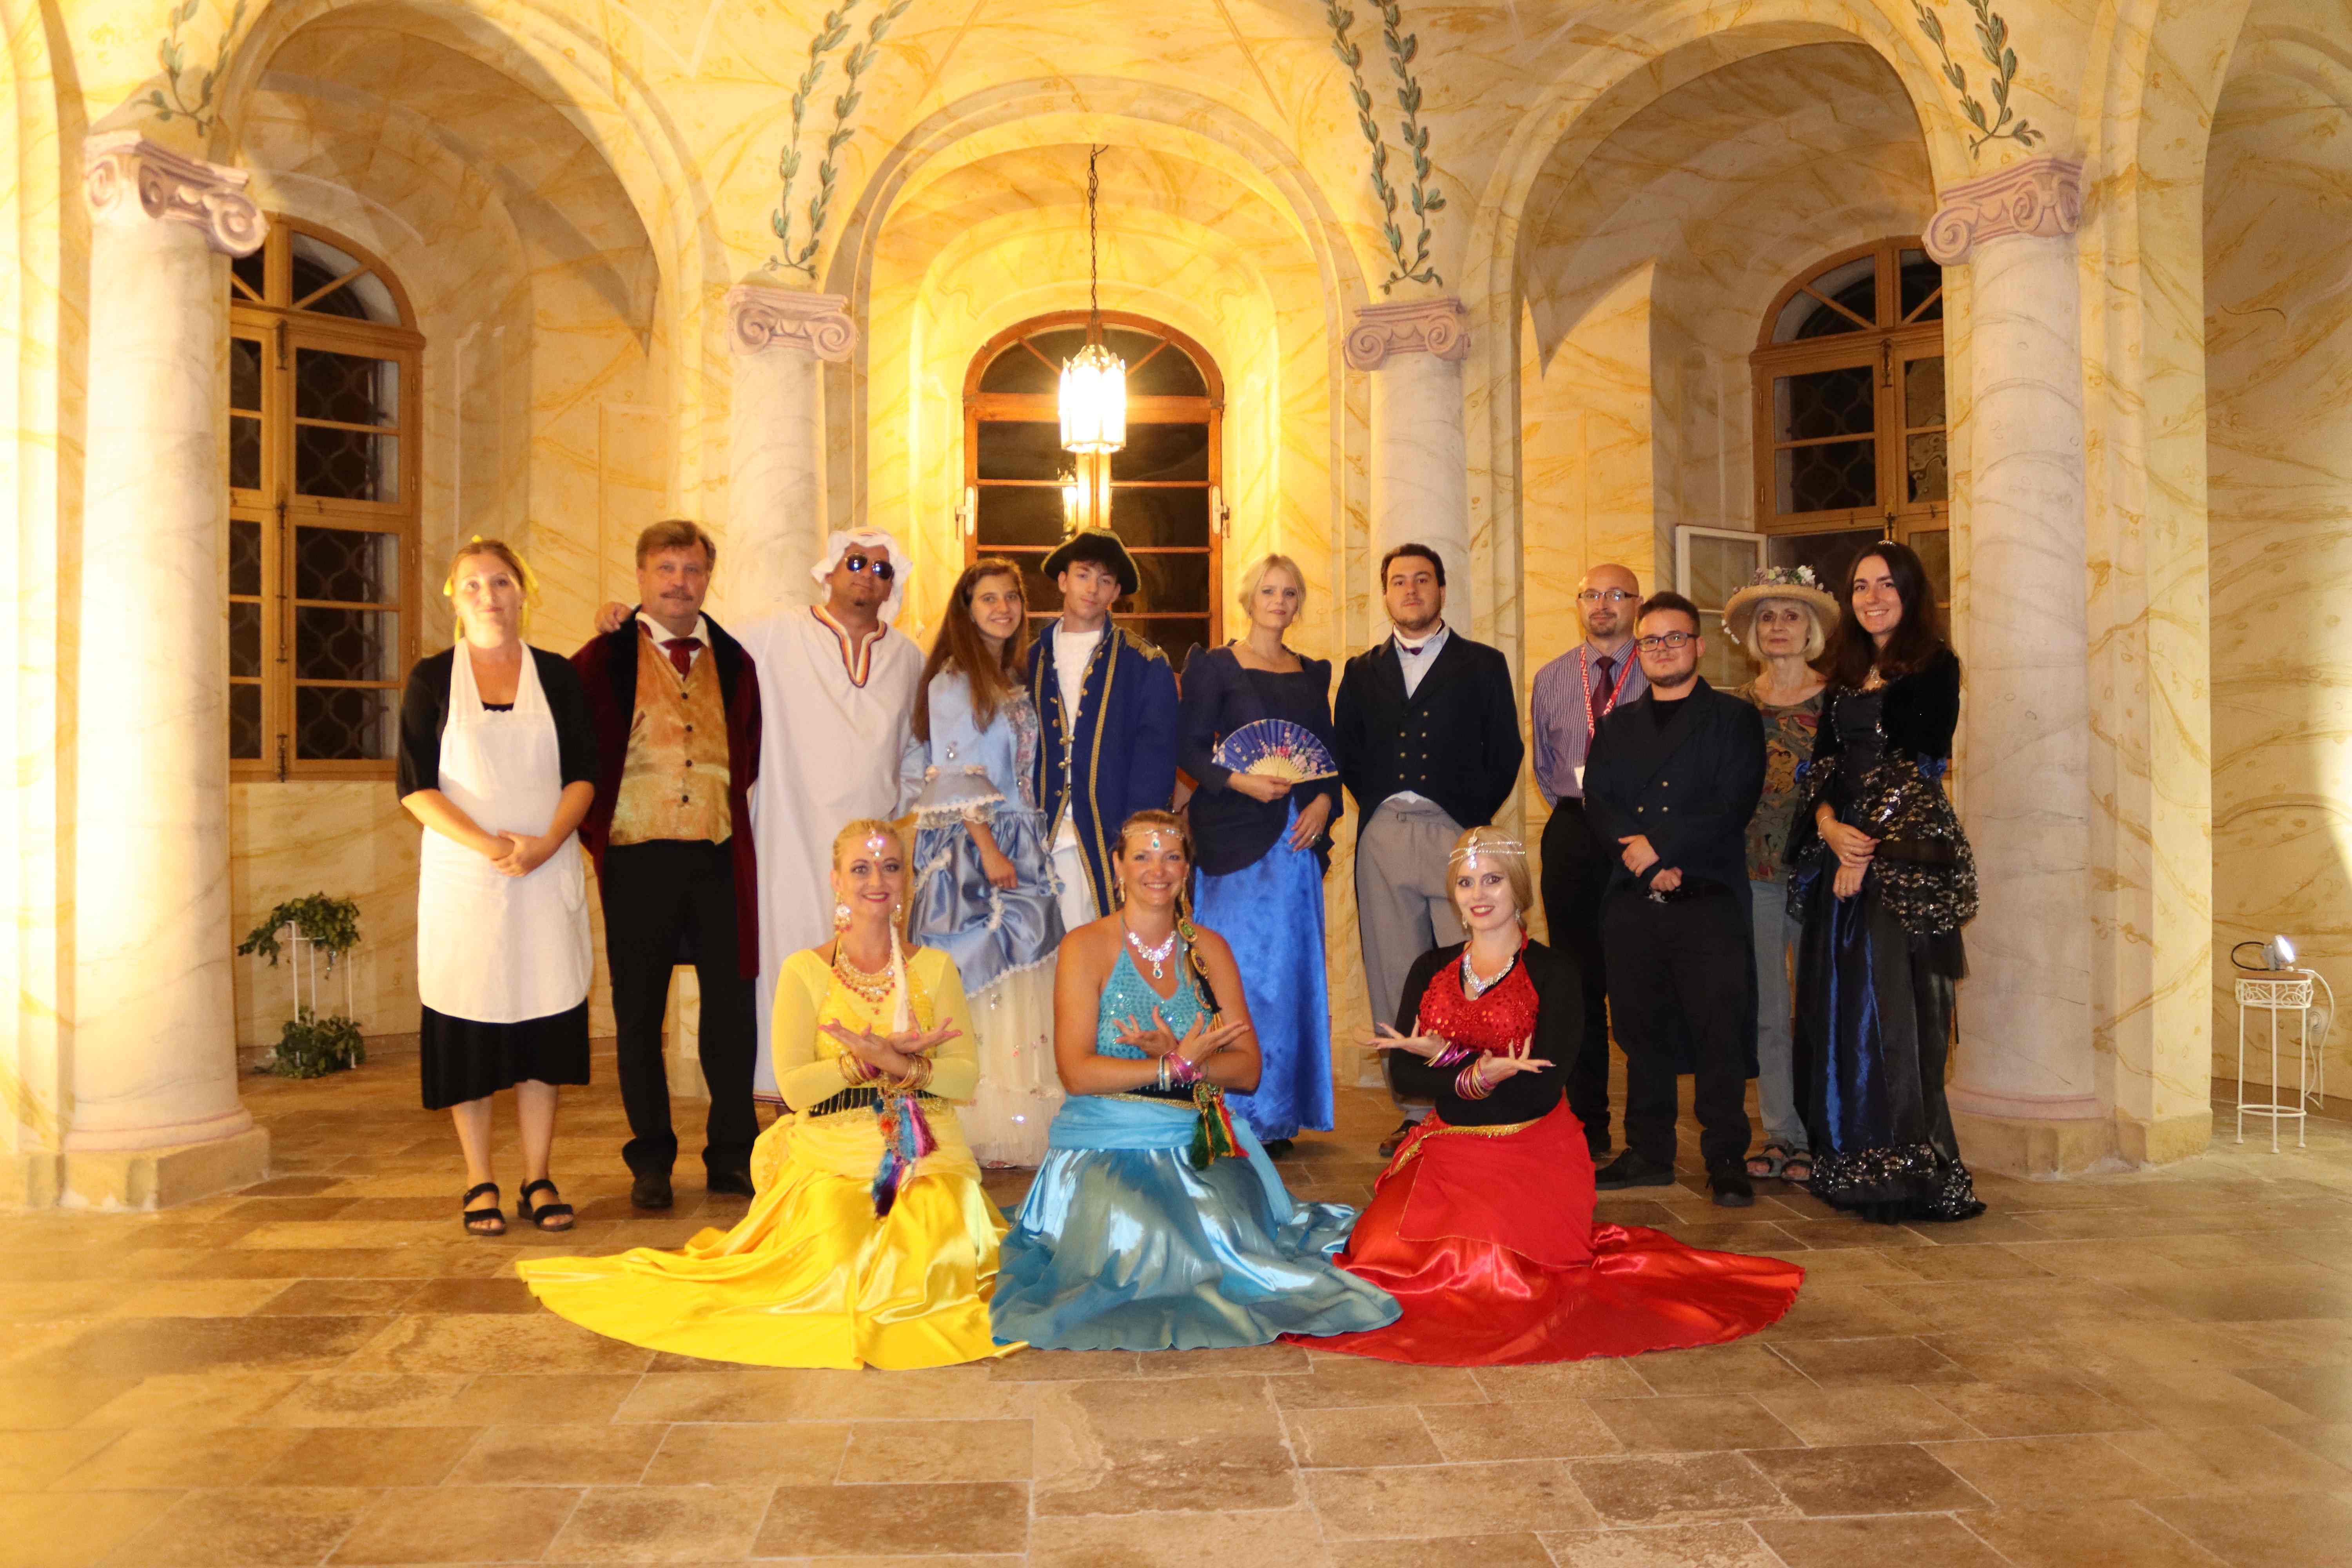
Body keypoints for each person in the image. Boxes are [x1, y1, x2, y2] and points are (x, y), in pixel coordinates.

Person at [518, 819, 1015, 1369]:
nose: (877, 880)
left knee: (937, 1233)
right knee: (840, 1251)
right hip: (832, 1152)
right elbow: (796, 1088)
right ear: (836, 881)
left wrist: (898, 1063)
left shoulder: (935, 968)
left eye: (891, 867)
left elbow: (962, 1077)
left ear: (907, 880)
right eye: (861, 868)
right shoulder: (806, 970)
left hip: (925, 1149)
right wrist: (862, 1062)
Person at [1307, 828, 1803, 1365]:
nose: (1479, 894)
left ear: (1518, 888)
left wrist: (1449, 1061)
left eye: (1493, 880)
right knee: (1381, 1253)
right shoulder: (1431, 968)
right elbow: (1405, 1075)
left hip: (1530, 1149)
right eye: (1466, 883)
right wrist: (1475, 1073)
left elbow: (1537, 1092)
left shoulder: (1555, 973)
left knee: (1484, 1269)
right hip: (1447, 1147)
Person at [989, 811, 1401, 1351]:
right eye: (1142, 856)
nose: (1157, 870)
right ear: (1118, 866)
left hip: (1197, 1140)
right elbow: (1078, 1072)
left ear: (1187, 869)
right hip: (1108, 1143)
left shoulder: (1209, 949)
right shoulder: (1085, 946)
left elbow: (1248, 1070)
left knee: (1223, 1230)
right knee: (1145, 1233)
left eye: (1172, 857)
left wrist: (1188, 1063)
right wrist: (1171, 1068)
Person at [594, 527, 921, 1107]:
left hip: (869, 854)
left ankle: (864, 1093)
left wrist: (896, 814)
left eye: (881, 569)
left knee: (866, 965)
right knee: (785, 962)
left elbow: (917, 751)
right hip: (785, 839)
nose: (867, 576)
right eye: (855, 562)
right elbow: (689, 641)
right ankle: (787, 1094)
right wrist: (629, 621)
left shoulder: (909, 657)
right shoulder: (776, 635)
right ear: (828, 570)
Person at [399, 540, 597, 1236]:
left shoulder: (558, 676)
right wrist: (490, 846)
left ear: (524, 591)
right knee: (470, 1029)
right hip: (468, 885)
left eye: (503, 582)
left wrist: (544, 844)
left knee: (544, 1021)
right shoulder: (431, 680)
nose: (489, 596)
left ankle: (538, 1175)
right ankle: (478, 1178)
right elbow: (415, 787)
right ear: (454, 599)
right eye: (474, 585)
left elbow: (584, 775)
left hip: (545, 877)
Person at [1786, 543, 1984, 1223]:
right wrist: (1827, 826)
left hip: (1902, 863)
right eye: (1861, 587)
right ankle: (1851, 1162)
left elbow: (1916, 766)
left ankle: (1906, 1171)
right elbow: (1822, 766)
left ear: (1910, 592)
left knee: (1895, 1016)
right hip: (1843, 855)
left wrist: (1860, 853)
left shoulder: (1935, 666)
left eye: (1886, 585)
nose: (1873, 598)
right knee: (1840, 1014)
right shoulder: (1845, 675)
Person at [575, 520, 764, 1211]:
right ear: (641, 576)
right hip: (636, 857)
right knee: (638, 1016)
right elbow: (576, 756)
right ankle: (651, 1158)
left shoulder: (736, 661)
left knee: (732, 1014)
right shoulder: (602, 657)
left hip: (717, 856)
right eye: (666, 569)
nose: (680, 583)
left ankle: (733, 1155)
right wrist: (599, 836)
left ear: (708, 578)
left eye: (692, 569)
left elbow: (749, 753)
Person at [1334, 543, 1525, 1157]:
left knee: (1470, 971)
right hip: (1384, 832)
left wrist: (1468, 819)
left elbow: (1507, 750)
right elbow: (1347, 751)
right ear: (1385, 593)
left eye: (1422, 579)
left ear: (1442, 590)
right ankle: (1416, 1110)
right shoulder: (1360, 671)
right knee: (1396, 973)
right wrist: (1380, 803)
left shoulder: (1483, 663)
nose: (1411, 590)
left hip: (1456, 835)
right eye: (1399, 581)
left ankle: (1472, 1101)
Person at [1583, 592, 1766, 1208]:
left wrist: (1658, 851)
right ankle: (1649, 1152)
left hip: (1708, 895)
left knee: (1719, 1031)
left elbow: (1731, 803)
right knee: (1641, 1031)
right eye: (1652, 641)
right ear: (1639, 652)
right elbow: (1599, 802)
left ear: (1699, 645)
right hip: (1633, 897)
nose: (1663, 649)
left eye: (1675, 638)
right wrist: (1643, 862)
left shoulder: (1733, 720)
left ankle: (1726, 1157)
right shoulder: (1616, 725)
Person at [900, 559, 1066, 1167]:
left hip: (1020, 835)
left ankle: (1016, 1117)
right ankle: (974, 1120)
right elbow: (954, 774)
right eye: (988, 599)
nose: (1002, 609)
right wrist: (990, 848)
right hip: (974, 845)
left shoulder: (1010, 678)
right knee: (981, 970)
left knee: (1023, 973)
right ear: (966, 610)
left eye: (1010, 598)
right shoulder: (953, 680)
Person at [1176, 554, 1341, 1157]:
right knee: (1234, 972)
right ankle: (1227, 1110)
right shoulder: (1215, 666)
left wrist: (1323, 802)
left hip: (1295, 845)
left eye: (1290, 592)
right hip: (1232, 839)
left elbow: (1327, 757)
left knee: (1288, 976)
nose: (1279, 601)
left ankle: (1277, 1112)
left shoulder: (1312, 673)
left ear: (1299, 604)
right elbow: (1190, 751)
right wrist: (1239, 781)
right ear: (1250, 599)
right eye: (1269, 591)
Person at [1528, 563, 1648, 1160]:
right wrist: (1581, 814)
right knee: (1576, 983)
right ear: (1577, 605)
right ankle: (1587, 1124)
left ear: (1637, 604)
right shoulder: (1551, 677)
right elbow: (1544, 766)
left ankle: (1648, 1134)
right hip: (1574, 832)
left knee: (1640, 977)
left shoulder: (1658, 669)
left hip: (1641, 836)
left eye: (1616, 594)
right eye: (1591, 595)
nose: (1603, 605)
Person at [1722, 567, 1837, 1186]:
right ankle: (1781, 1134)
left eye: (1792, 616)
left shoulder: (1838, 701)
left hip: (1825, 876)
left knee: (1824, 1007)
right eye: (1767, 617)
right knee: (1769, 1010)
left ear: (1811, 629)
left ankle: (1827, 1132)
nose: (1778, 627)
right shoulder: (1736, 705)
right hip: (1756, 874)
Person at [1024, 528, 1179, 934]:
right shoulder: (1029, 661)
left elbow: (1154, 767)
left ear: (1116, 593)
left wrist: (1134, 849)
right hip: (1038, 842)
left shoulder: (1145, 664)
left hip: (1107, 841)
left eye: (1105, 580)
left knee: (1109, 957)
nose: (1092, 589)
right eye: (1083, 575)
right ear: (1063, 580)